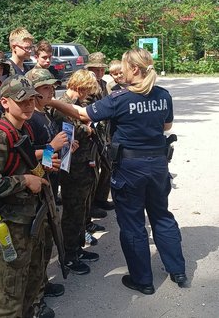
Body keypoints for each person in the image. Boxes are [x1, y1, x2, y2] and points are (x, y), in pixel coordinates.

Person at [47, 48, 187, 294]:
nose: (120, 72)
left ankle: (143, 280)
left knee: (133, 224)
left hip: (131, 168)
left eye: (123, 67)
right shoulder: (163, 95)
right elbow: (167, 124)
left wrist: (50, 101)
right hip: (157, 165)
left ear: (134, 69)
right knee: (162, 216)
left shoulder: (120, 98)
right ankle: (178, 270)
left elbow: (83, 114)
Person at [0, 74, 49, 318]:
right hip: (12, 224)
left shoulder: (23, 128)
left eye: (32, 100)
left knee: (31, 281)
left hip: (31, 220)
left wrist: (43, 171)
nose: (29, 105)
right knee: (9, 292)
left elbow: (26, 163)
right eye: (22, 101)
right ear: (5, 103)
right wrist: (26, 181)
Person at [26, 68, 69, 318]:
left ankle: (42, 283)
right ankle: (35, 298)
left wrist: (64, 146)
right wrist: (51, 149)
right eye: (44, 88)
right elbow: (28, 156)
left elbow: (50, 148)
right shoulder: (30, 119)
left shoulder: (46, 114)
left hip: (50, 184)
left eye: (51, 86)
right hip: (37, 187)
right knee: (37, 243)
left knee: (47, 240)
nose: (50, 91)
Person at [52, 69, 100, 275]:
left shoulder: (78, 105)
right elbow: (67, 132)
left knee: (81, 209)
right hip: (71, 167)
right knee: (72, 212)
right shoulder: (62, 106)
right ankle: (69, 255)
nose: (88, 94)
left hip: (83, 164)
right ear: (80, 87)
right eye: (87, 90)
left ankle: (78, 247)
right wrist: (87, 129)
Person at [85, 52, 115, 218]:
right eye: (95, 70)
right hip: (92, 134)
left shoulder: (104, 85)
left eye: (102, 69)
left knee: (107, 167)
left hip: (104, 133)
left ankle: (101, 198)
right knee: (93, 170)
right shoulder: (87, 86)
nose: (99, 73)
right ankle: (92, 205)